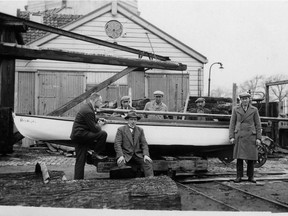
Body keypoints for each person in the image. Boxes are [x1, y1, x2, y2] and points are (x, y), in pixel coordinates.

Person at [70, 92, 108, 180]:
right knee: (103, 134)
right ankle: (95, 154)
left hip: (80, 135)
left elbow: (91, 119)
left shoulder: (88, 107)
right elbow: (95, 129)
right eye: (100, 102)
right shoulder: (88, 110)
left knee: (80, 160)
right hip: (80, 136)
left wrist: (98, 119)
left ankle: (78, 180)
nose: (101, 104)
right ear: (96, 101)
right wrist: (100, 125)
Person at [229, 92, 262, 183]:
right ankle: (239, 176)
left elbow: (258, 124)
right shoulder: (236, 109)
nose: (244, 100)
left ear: (249, 99)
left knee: (251, 157)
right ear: (240, 100)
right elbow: (232, 124)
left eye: (246, 98)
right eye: (243, 99)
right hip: (240, 135)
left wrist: (258, 138)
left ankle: (250, 176)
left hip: (251, 136)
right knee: (239, 157)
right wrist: (231, 136)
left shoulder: (254, 110)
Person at [114, 110, 154, 177]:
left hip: (137, 154)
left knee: (148, 163)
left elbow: (144, 144)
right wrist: (120, 155)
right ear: (127, 120)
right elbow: (117, 144)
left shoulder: (140, 130)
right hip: (125, 154)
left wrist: (146, 154)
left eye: (135, 119)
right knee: (121, 165)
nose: (133, 121)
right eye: (131, 119)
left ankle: (150, 182)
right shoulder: (121, 130)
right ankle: (125, 185)